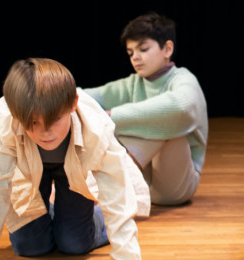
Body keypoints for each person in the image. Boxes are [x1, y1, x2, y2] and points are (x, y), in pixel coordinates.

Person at [0, 58, 164, 260]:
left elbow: (116, 195)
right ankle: (56, 210)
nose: (45, 133)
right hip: (28, 171)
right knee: (30, 247)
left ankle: (92, 217)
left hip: (75, 171)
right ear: (16, 113)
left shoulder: (96, 127)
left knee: (74, 244)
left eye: (55, 120)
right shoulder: (2, 121)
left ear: (73, 104)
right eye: (32, 123)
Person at [84, 12, 208, 206]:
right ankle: (91, 186)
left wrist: (111, 116)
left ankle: (105, 185)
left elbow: (180, 107)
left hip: (176, 188)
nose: (136, 58)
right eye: (131, 52)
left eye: (143, 49)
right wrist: (58, 94)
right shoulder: (133, 83)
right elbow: (90, 96)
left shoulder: (184, 79)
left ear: (167, 49)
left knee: (166, 120)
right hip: (141, 184)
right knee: (93, 114)